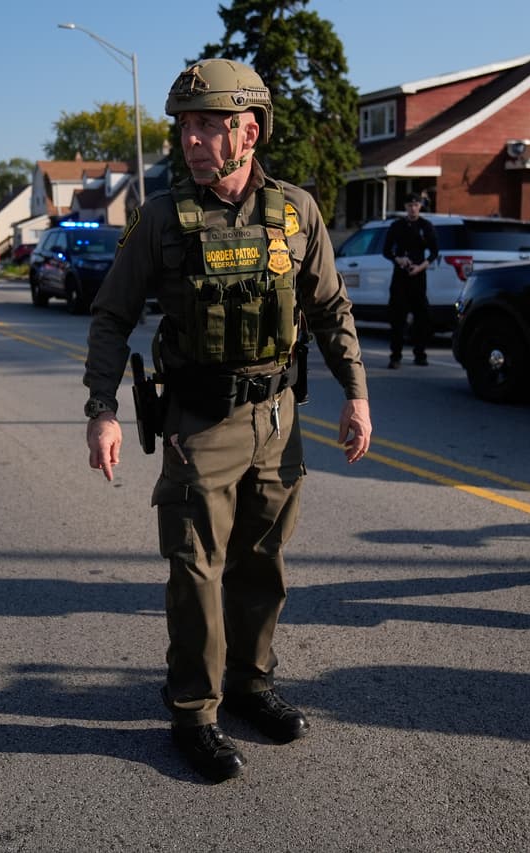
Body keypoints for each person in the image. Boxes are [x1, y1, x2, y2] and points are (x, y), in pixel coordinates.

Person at [83, 59, 371, 783]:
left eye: (207, 124)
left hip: (279, 417)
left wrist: (357, 393)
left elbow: (332, 309)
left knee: (262, 561)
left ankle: (250, 681)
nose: (191, 140)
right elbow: (112, 316)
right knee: (196, 571)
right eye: (184, 126)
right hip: (199, 423)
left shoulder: (297, 212)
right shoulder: (162, 219)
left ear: (250, 130)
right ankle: (194, 710)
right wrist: (103, 409)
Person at [382, 193, 438, 368]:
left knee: (422, 317)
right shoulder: (397, 226)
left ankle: (420, 354)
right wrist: (399, 260)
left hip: (418, 276)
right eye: (409, 205)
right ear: (405, 207)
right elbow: (386, 250)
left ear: (420, 206)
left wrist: (420, 266)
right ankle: (395, 356)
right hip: (400, 277)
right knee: (398, 317)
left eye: (416, 205)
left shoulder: (425, 226)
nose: (413, 208)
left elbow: (434, 252)